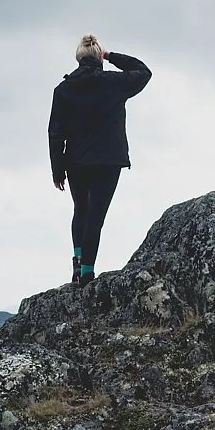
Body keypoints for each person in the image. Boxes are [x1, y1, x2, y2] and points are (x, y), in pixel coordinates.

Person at [48, 34, 151, 287]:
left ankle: (77, 260)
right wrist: (111, 56)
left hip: (75, 162)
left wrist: (57, 170)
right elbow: (143, 71)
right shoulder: (113, 83)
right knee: (95, 217)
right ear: (98, 58)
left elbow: (55, 132)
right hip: (107, 160)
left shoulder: (63, 90)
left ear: (78, 58)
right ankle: (86, 272)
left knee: (80, 210)